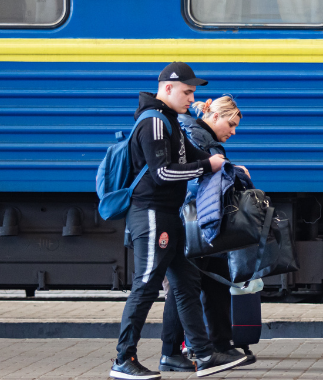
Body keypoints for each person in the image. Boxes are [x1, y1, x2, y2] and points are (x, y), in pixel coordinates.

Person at [110, 62, 249, 380]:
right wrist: (208, 167)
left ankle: (202, 354)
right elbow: (163, 172)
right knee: (145, 286)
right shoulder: (154, 123)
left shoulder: (170, 122)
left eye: (193, 92)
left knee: (187, 284)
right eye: (187, 92)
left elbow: (201, 158)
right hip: (151, 214)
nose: (192, 98)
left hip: (168, 216)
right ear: (167, 89)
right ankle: (123, 358)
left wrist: (229, 168)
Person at [158, 96, 252, 373]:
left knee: (215, 283)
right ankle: (171, 352)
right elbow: (194, 182)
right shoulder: (195, 137)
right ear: (214, 116)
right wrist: (230, 171)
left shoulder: (203, 137)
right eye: (231, 124)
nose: (233, 131)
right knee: (183, 289)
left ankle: (220, 344)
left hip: (204, 223)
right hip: (193, 224)